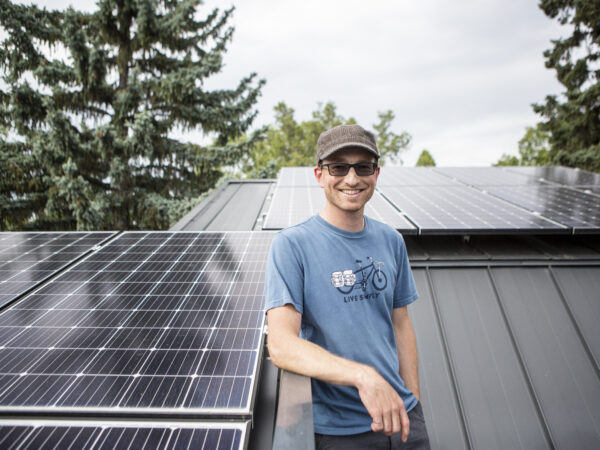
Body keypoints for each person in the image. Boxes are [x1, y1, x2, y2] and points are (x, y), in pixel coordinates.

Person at [265, 124, 430, 449]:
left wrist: (414, 402)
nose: (352, 179)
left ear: (376, 173)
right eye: (339, 167)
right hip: (341, 433)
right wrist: (363, 376)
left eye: (363, 167)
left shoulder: (391, 241)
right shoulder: (292, 245)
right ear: (320, 174)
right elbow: (282, 345)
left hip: (404, 422)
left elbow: (401, 325)